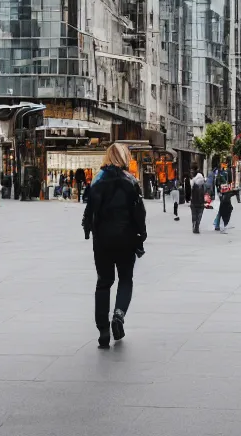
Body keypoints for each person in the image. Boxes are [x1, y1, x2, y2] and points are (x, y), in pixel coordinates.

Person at [82, 143, 147, 349]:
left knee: (104, 282)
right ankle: (119, 314)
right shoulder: (131, 181)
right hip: (126, 238)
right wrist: (141, 236)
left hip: (102, 239)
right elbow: (139, 213)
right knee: (125, 278)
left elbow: (89, 210)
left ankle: (103, 331)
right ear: (124, 157)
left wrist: (89, 230)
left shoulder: (97, 181)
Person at [189, 165, 206, 234]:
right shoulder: (203, 184)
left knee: (194, 215)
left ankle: (195, 226)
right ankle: (197, 227)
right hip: (201, 202)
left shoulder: (192, 183)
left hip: (194, 201)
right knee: (199, 215)